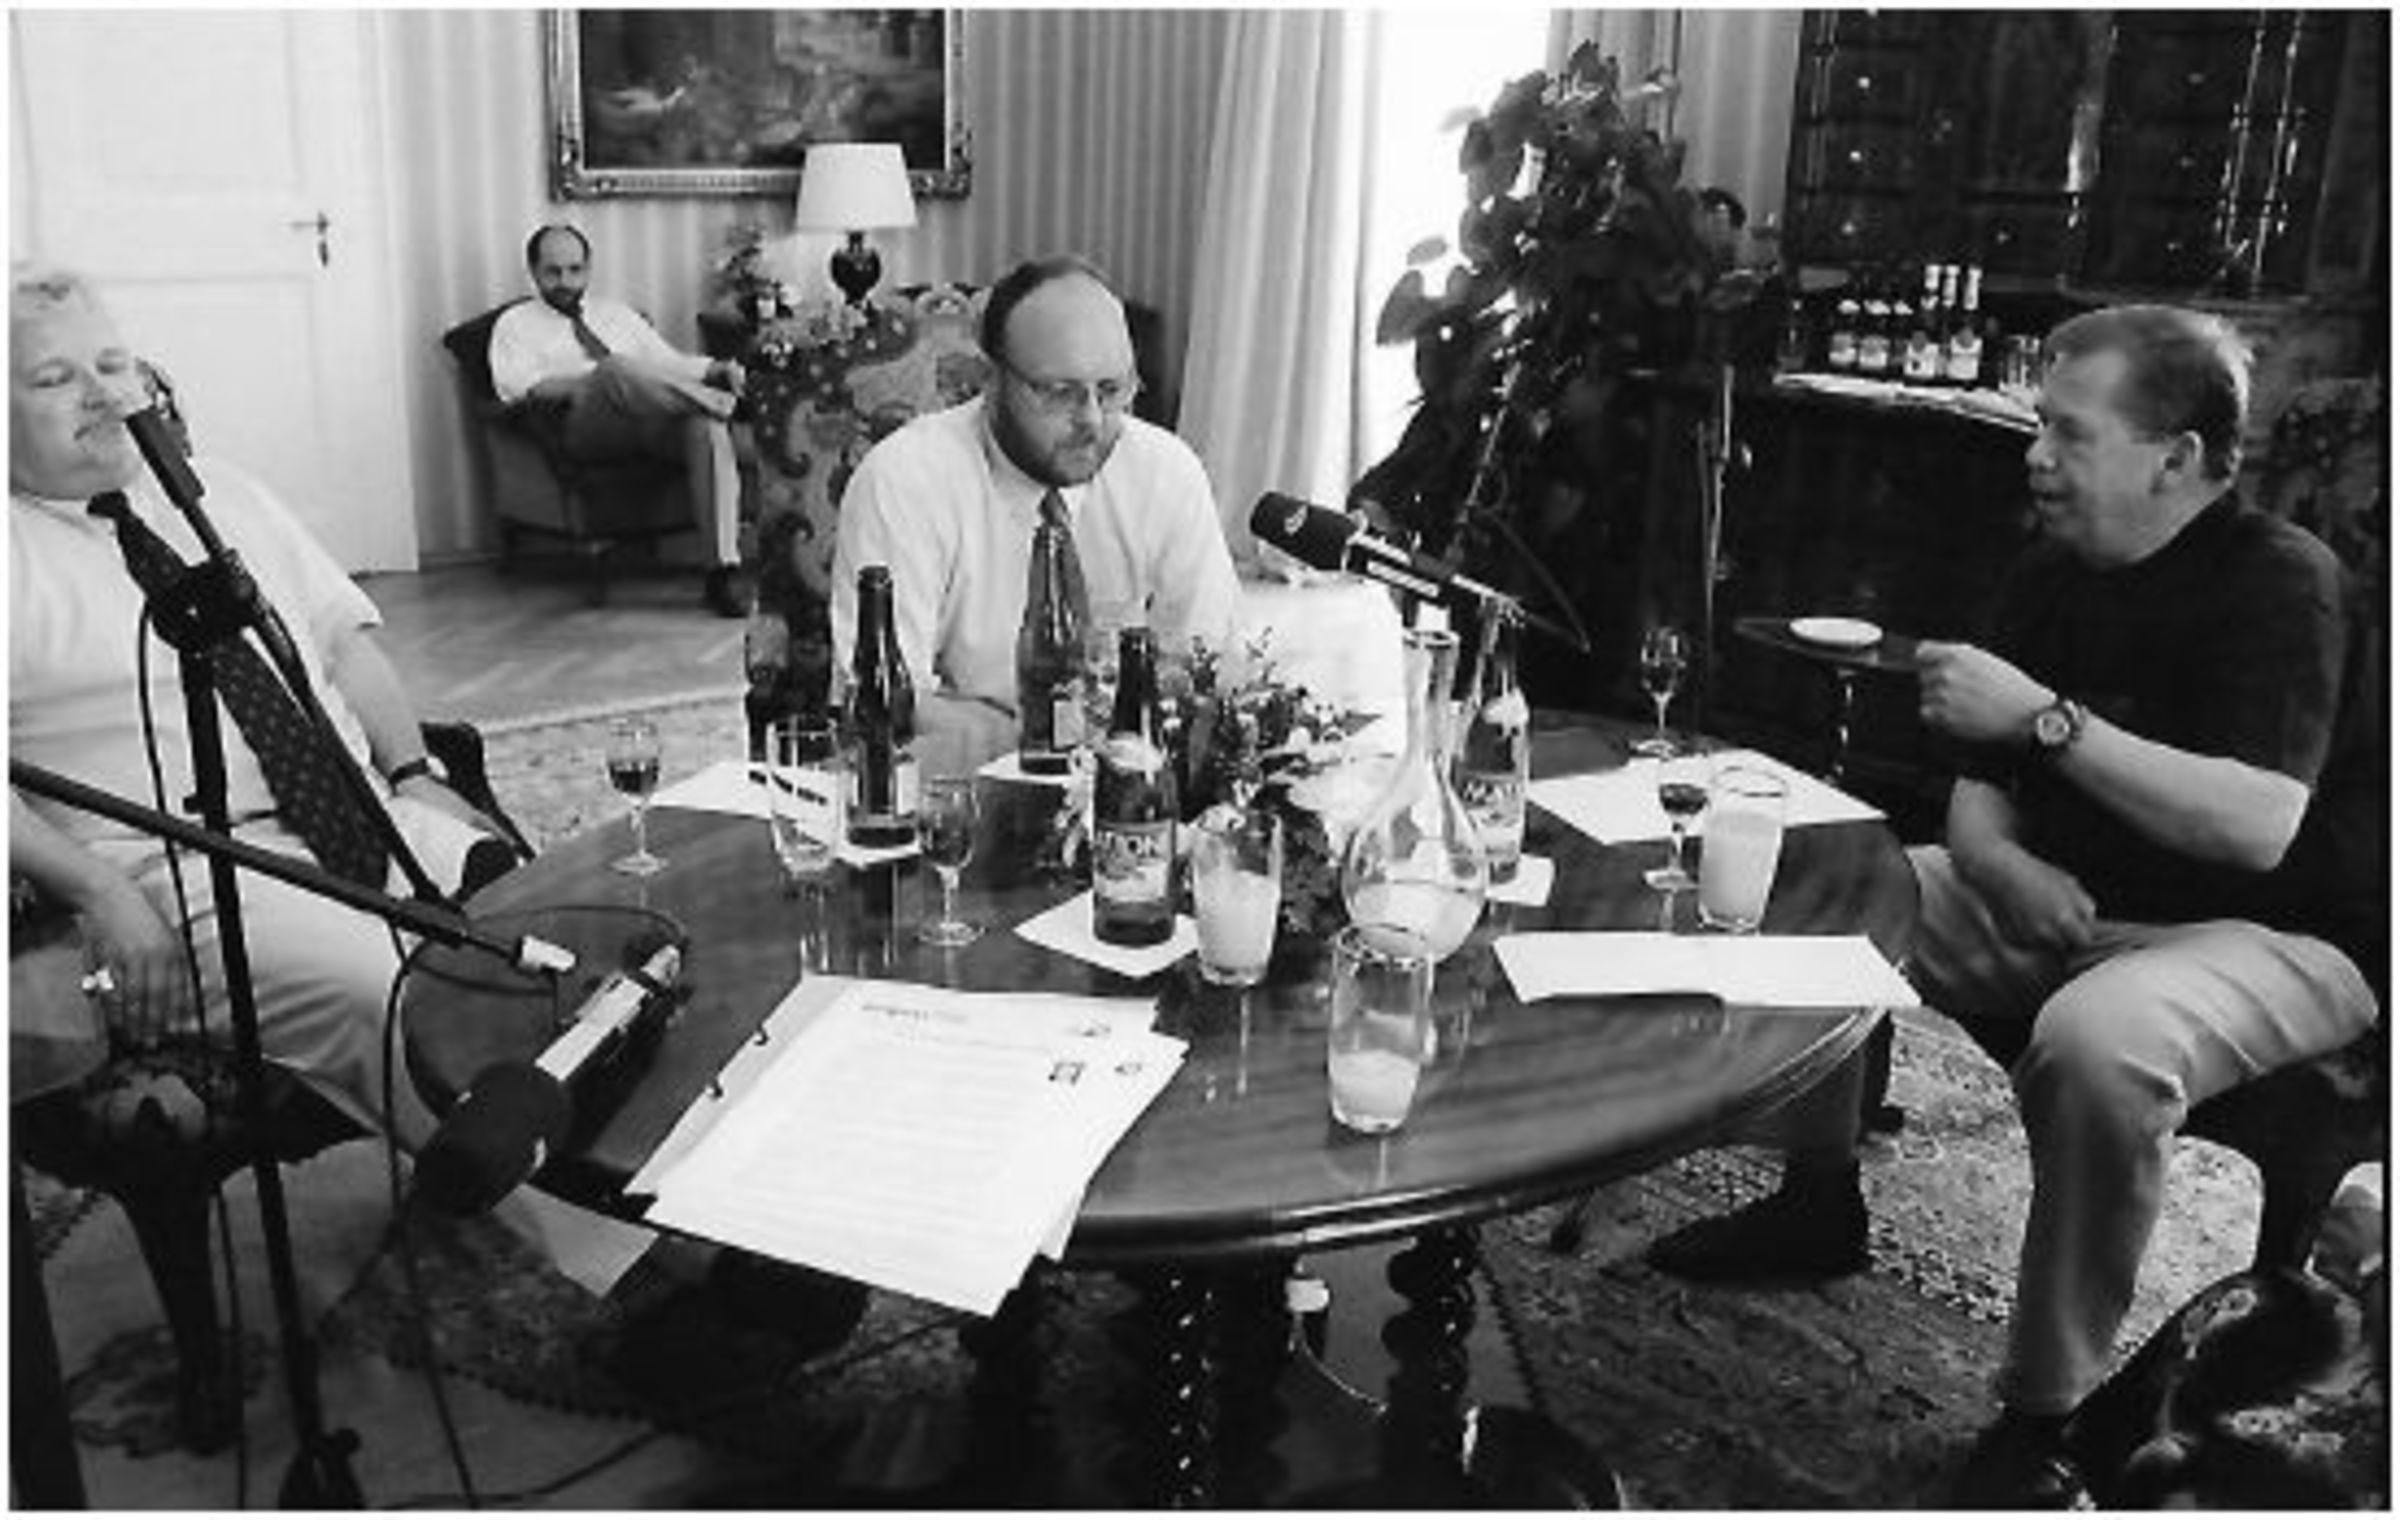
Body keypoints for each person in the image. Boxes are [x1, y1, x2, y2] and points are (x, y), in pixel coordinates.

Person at [1643, 305, 2379, 1505]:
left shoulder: (2282, 582)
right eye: (2041, 425)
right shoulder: (2050, 572)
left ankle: (2048, 1412)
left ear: (2179, 457)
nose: (2035, 455)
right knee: (1846, 886)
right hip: (2062, 903)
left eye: (2068, 432)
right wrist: (1997, 866)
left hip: (2274, 935)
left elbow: (2257, 823)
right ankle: (1816, 1197)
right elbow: (1977, 795)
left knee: (2099, 1039)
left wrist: (2047, 720)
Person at [829, 255, 1242, 770]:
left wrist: (991, 723)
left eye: (1112, 391)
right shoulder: (903, 480)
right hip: (961, 789)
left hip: (1130, 788)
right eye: (1059, 394)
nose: (1091, 421)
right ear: (991, 380)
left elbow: (1208, 671)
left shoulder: (1166, 472)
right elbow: (884, 708)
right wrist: (1050, 738)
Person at [488, 223, 751, 619]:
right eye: (553, 272)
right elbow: (520, 388)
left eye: (575, 270)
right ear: (534, 271)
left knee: (705, 428)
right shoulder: (515, 324)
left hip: (646, 417)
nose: (565, 281)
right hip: (583, 425)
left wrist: (718, 367)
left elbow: (668, 363)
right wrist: (595, 382)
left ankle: (722, 572)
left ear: (588, 267)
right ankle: (729, 407)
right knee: (614, 369)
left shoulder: (616, 314)